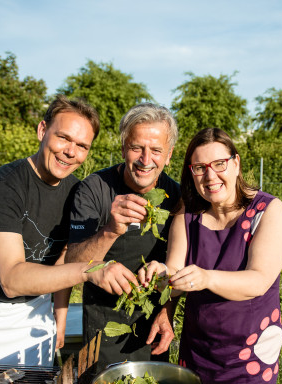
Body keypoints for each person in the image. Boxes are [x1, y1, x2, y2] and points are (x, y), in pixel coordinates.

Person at [0, 95, 139, 367]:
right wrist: (91, 270)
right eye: (63, 138)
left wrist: (59, 314)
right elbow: (11, 279)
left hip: (36, 310)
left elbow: (63, 254)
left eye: (82, 146)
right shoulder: (5, 186)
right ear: (42, 130)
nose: (71, 151)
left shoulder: (75, 192)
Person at [139, 127, 282, 384]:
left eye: (219, 164)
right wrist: (159, 274)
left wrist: (206, 278)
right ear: (191, 173)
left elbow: (259, 280)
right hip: (198, 350)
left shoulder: (267, 211)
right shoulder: (188, 214)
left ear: (236, 163)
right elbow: (174, 271)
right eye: (200, 167)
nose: (210, 176)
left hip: (251, 355)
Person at [66, 103, 181, 373]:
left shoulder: (176, 197)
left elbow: (178, 264)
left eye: (156, 150)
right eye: (136, 148)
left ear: (169, 155)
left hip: (154, 325)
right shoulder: (93, 189)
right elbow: (72, 261)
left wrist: (167, 312)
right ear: (122, 148)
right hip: (100, 323)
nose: (145, 159)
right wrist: (111, 229)